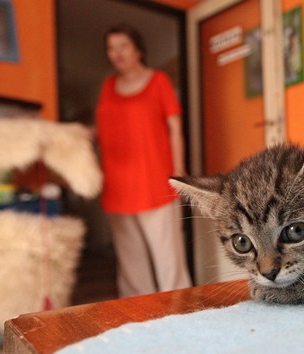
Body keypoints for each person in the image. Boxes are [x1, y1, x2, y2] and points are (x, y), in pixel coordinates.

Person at [95, 23, 192, 297]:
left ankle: (180, 312)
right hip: (117, 185)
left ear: (138, 49)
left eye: (122, 46)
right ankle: (139, 320)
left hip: (154, 182)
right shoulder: (107, 86)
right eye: (111, 48)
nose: (116, 53)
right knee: (131, 266)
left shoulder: (158, 80)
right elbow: (106, 129)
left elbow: (175, 129)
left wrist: (179, 172)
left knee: (169, 261)